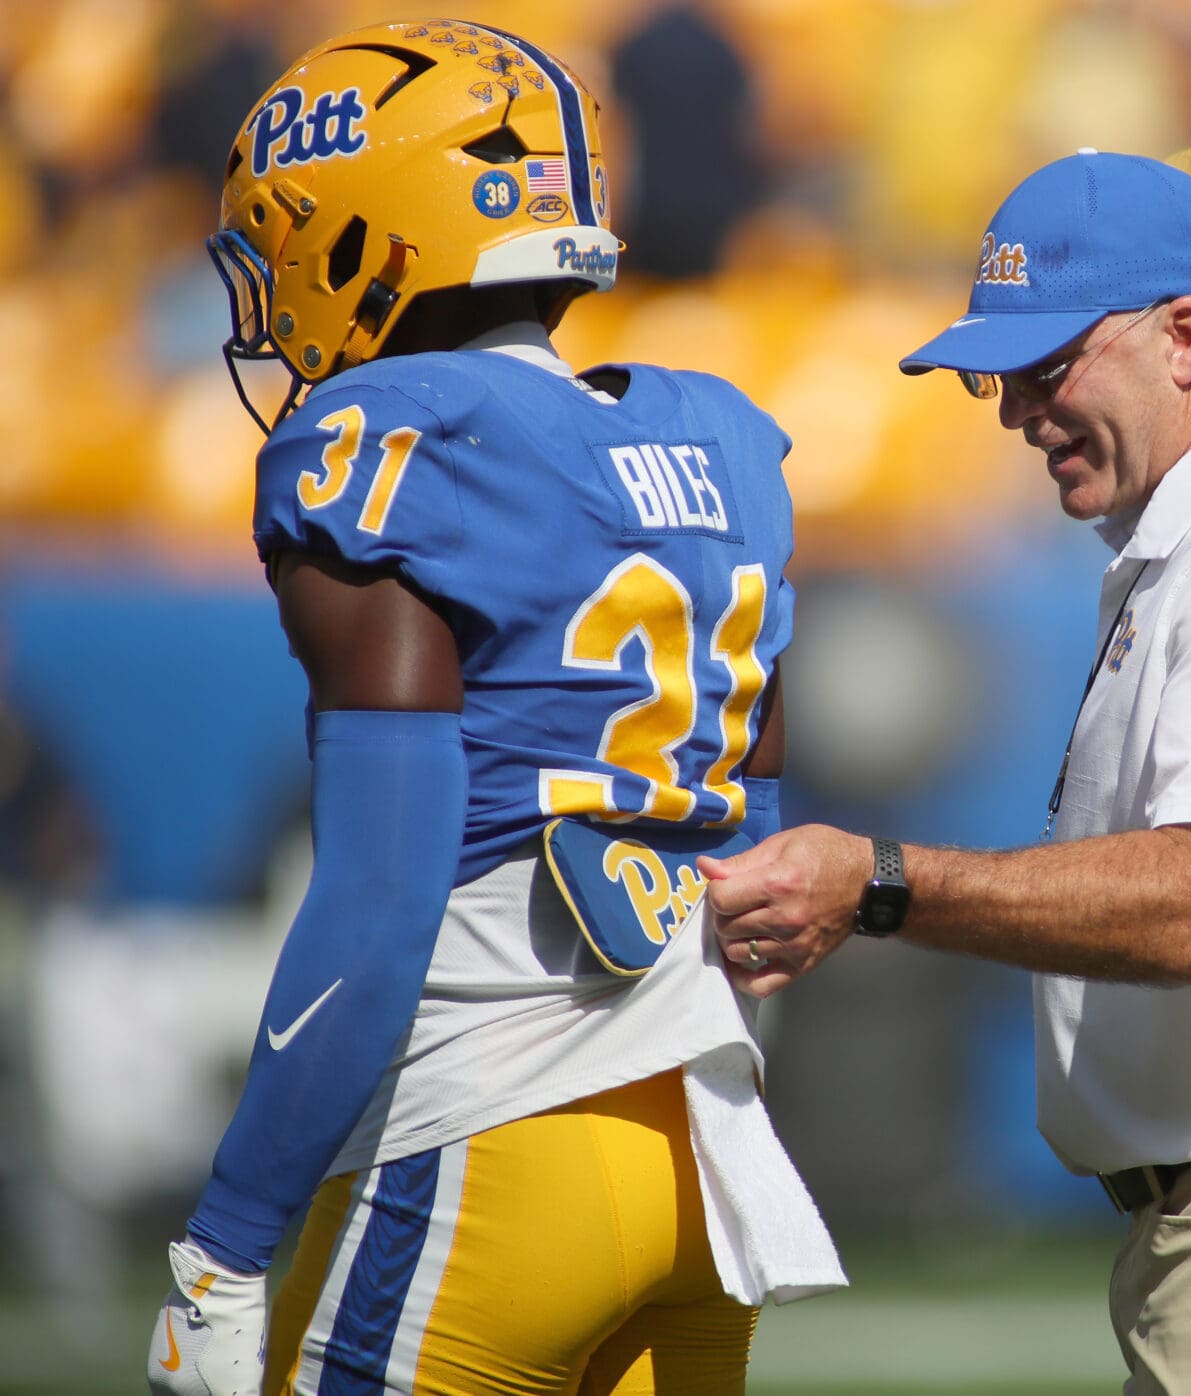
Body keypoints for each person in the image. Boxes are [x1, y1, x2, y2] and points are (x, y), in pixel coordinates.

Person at [700, 150, 1191, 1395]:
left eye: (1045, 366)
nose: (1015, 410)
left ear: (1183, 334)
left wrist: (879, 882)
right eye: (996, 375)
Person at [147, 20, 841, 1396]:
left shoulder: (391, 443)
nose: (275, 283)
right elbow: (752, 861)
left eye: (291, 238)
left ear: (371, 229)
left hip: (489, 1137)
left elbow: (384, 893)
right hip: (704, 1155)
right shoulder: (719, 438)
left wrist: (226, 1242)